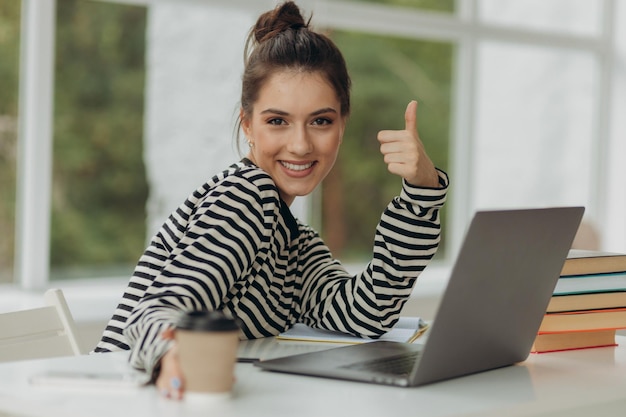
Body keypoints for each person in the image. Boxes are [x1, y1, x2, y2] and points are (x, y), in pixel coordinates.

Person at [95, 0, 448, 399]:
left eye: (320, 121)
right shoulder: (245, 198)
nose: (299, 145)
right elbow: (156, 309)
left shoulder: (291, 240)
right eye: (277, 121)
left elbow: (365, 313)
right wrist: (174, 357)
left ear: (342, 124)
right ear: (248, 124)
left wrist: (422, 192)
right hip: (135, 397)